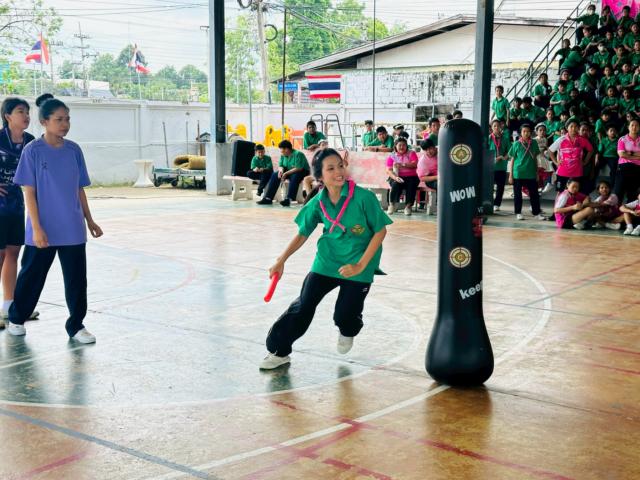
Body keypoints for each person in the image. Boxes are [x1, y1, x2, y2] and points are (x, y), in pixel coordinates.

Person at [259, 148, 392, 370]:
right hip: (327, 260)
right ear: (319, 176)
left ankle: (348, 330)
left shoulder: (364, 198)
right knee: (303, 305)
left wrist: (360, 265)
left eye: (340, 166)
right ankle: (278, 351)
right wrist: (281, 260)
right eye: (331, 168)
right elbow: (302, 233)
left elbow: (380, 231)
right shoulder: (318, 202)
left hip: (358, 264)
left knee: (345, 315)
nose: (339, 171)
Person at [5, 94, 103, 342]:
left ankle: (76, 326)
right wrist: (36, 228)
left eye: (67, 119)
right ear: (44, 122)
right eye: (59, 119)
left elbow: (79, 188)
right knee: (31, 276)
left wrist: (89, 220)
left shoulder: (74, 150)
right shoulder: (32, 151)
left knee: (76, 280)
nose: (65, 124)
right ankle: (16, 319)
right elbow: (29, 192)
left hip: (72, 227)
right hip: (43, 229)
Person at [0, 98, 39, 327]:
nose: (26, 116)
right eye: (20, 111)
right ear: (7, 116)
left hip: (16, 205)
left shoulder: (30, 142)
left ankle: (9, 306)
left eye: (27, 112)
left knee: (13, 252)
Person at [508, 124, 545, 221]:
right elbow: (512, 159)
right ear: (520, 133)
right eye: (524, 131)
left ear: (531, 133)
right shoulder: (516, 144)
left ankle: (536, 213)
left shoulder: (534, 143)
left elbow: (535, 158)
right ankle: (518, 213)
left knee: (534, 194)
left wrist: (537, 173)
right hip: (518, 173)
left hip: (531, 173)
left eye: (528, 131)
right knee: (518, 195)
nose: (526, 133)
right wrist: (511, 175)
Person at [257, 140, 310, 207]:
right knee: (275, 175)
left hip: (302, 171)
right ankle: (268, 198)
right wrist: (281, 171)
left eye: (282, 150)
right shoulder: (283, 155)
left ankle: (289, 199)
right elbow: (281, 165)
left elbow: (299, 168)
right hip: (289, 170)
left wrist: (285, 174)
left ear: (287, 149)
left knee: (295, 176)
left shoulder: (298, 154)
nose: (281, 152)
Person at [548, 119, 594, 192]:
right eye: (571, 126)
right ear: (567, 128)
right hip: (562, 172)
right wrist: (556, 162)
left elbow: (591, 150)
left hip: (577, 172)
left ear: (578, 128)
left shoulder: (582, 140)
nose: (573, 128)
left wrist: (585, 161)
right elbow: (550, 151)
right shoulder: (561, 139)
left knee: (575, 192)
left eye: (576, 126)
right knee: (560, 192)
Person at [385, 137, 419, 216]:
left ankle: (408, 207)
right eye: (399, 145)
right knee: (395, 184)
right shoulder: (392, 156)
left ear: (407, 146)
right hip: (396, 176)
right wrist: (395, 177)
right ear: (395, 146)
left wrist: (403, 165)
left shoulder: (411, 153)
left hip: (411, 177)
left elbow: (415, 164)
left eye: (404, 145)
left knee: (412, 184)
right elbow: (388, 170)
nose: (402, 147)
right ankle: (391, 205)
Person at [614, 117, 640, 204]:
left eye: (637, 125)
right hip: (624, 167)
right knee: (618, 191)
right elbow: (621, 154)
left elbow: (625, 154)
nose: (634, 127)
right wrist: (637, 156)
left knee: (632, 193)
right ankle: (616, 209)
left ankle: (629, 211)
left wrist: (629, 153)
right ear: (628, 127)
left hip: (637, 168)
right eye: (632, 125)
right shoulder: (622, 139)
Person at [489, 119, 510, 211]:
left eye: (498, 126)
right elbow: (484, 151)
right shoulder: (489, 138)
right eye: (495, 126)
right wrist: (493, 159)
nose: (497, 128)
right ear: (492, 127)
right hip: (490, 167)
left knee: (500, 187)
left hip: (501, 167)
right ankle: (489, 202)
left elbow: (510, 151)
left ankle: (497, 204)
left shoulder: (505, 139)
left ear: (501, 127)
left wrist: (505, 157)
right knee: (489, 187)